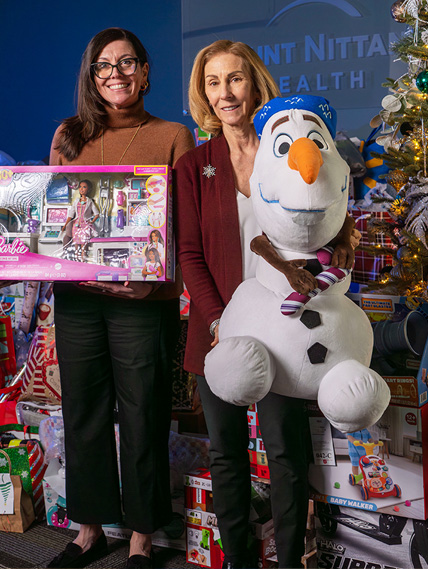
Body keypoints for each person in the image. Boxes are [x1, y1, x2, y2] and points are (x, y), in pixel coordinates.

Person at [175, 39, 358, 569]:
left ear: (254, 83)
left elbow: (331, 220)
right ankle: (236, 558)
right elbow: (190, 252)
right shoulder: (193, 166)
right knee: (226, 455)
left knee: (284, 453)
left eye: (235, 78)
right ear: (202, 93)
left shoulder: (289, 145)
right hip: (219, 333)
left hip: (284, 329)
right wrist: (218, 321)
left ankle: (288, 559)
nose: (225, 92)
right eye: (213, 82)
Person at [47, 27, 194, 569]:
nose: (116, 74)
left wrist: (157, 282)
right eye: (104, 66)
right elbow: (54, 219)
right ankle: (89, 529)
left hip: (142, 299)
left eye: (127, 62)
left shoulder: (173, 135)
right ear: (91, 75)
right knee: (82, 409)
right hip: (78, 299)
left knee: (143, 411)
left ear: (145, 71)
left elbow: (185, 229)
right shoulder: (68, 136)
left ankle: (140, 535)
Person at [61, 179, 99, 260]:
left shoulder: (89, 202)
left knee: (83, 247)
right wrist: (65, 225)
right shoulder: (76, 201)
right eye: (80, 187)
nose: (81, 189)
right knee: (76, 246)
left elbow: (97, 214)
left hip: (85, 226)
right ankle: (76, 262)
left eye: (84, 187)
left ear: (88, 189)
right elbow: (71, 214)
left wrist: (91, 222)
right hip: (76, 226)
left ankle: (83, 262)